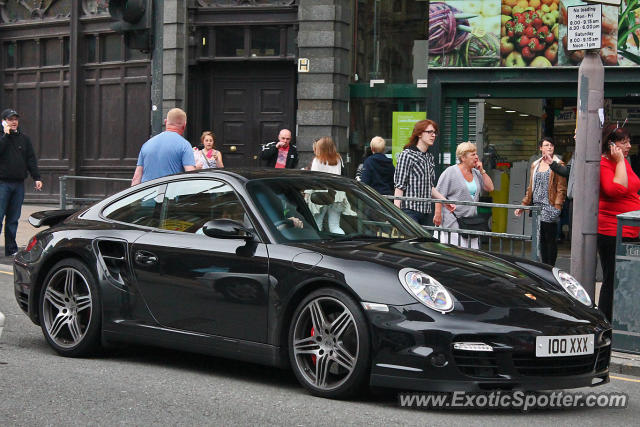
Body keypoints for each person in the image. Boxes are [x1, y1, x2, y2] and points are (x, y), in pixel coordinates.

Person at [597, 123, 640, 321]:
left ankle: (623, 320)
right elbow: (617, 189)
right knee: (612, 279)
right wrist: (620, 161)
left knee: (627, 279)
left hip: (630, 229)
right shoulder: (605, 164)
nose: (629, 145)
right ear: (612, 145)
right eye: (624, 142)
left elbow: (632, 188)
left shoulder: (624, 162)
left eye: (629, 141)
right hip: (612, 231)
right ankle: (606, 321)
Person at [515, 137, 567, 266]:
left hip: (550, 206)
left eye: (551, 145)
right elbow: (531, 187)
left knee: (550, 238)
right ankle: (544, 266)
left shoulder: (558, 163)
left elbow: (561, 188)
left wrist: (558, 207)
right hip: (537, 206)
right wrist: (523, 205)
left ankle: (550, 266)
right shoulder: (535, 164)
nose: (549, 147)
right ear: (540, 148)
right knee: (541, 239)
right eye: (546, 145)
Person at [434, 142, 494, 249]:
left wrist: (482, 171)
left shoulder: (476, 173)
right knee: (455, 254)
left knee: (471, 254)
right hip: (453, 221)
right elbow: (439, 193)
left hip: (471, 222)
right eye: (472, 154)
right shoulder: (450, 172)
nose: (476, 157)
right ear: (463, 158)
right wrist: (438, 213)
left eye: (476, 154)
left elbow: (490, 188)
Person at [0, 108, 43, 256]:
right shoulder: (2, 137)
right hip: (2, 184)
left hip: (18, 184)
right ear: (4, 121)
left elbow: (30, 159)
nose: (14, 122)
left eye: (15, 119)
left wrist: (36, 177)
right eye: (10, 119)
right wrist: (5, 135)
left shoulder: (24, 139)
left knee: (13, 219)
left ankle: (11, 249)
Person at [394, 119, 451, 225]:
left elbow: (429, 187)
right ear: (419, 134)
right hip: (409, 210)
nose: (433, 135)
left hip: (426, 211)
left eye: (434, 133)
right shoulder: (407, 155)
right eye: (429, 132)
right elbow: (399, 186)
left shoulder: (429, 157)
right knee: (412, 241)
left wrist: (445, 201)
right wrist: (397, 213)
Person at [131, 108, 195, 186]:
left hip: (148, 196)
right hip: (170, 196)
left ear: (165, 122)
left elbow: (136, 178)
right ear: (184, 126)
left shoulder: (147, 144)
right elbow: (190, 175)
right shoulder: (184, 145)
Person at [308, 136, 350, 234]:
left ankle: (318, 246)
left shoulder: (317, 160)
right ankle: (342, 244)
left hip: (320, 195)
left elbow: (313, 179)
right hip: (337, 194)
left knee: (317, 225)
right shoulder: (338, 159)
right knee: (335, 226)